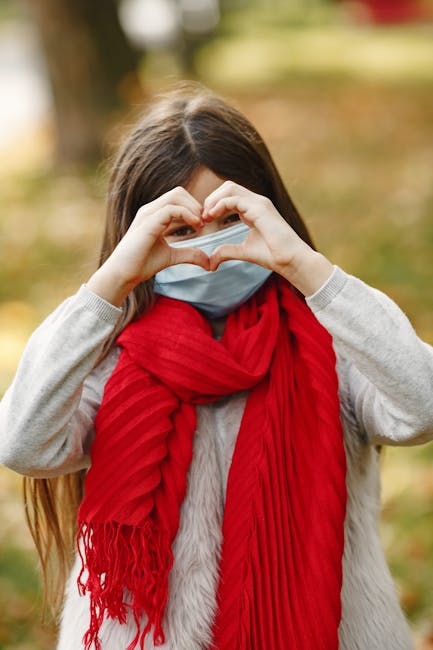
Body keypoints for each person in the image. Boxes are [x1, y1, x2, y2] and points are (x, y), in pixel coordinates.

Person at [0, 84, 432, 650]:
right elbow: (22, 444)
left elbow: (420, 408)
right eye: (179, 232)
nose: (208, 253)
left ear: (267, 210)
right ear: (140, 237)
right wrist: (107, 286)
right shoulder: (106, 357)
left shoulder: (333, 338)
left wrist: (308, 269)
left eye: (228, 220)